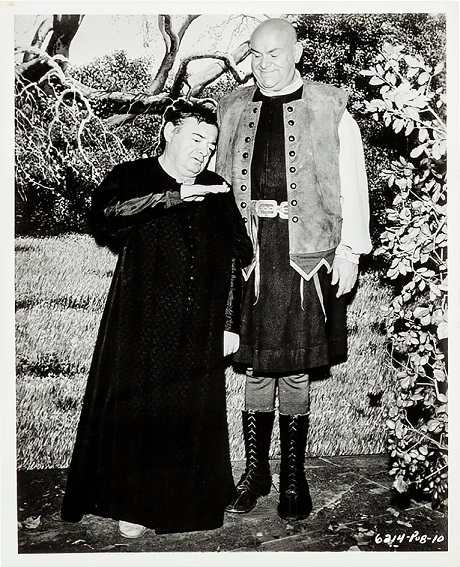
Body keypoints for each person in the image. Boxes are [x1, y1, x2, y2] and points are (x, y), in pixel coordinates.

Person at [61, 99, 253, 537]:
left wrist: (230, 322)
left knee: (186, 411)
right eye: (196, 139)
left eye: (211, 145)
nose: (204, 151)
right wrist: (172, 197)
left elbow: (237, 255)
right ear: (169, 131)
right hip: (140, 321)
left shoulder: (216, 188)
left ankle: (184, 504)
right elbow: (106, 216)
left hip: (199, 323)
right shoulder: (132, 176)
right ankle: (133, 505)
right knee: (142, 410)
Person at [215, 18, 372, 521]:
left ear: (298, 52)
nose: (263, 65)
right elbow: (215, 185)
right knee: (256, 363)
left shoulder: (331, 107)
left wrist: (350, 251)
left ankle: (292, 476)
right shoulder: (231, 107)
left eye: (275, 54)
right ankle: (256, 473)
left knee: (296, 365)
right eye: (256, 55)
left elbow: (352, 183)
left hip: (306, 257)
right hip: (249, 255)